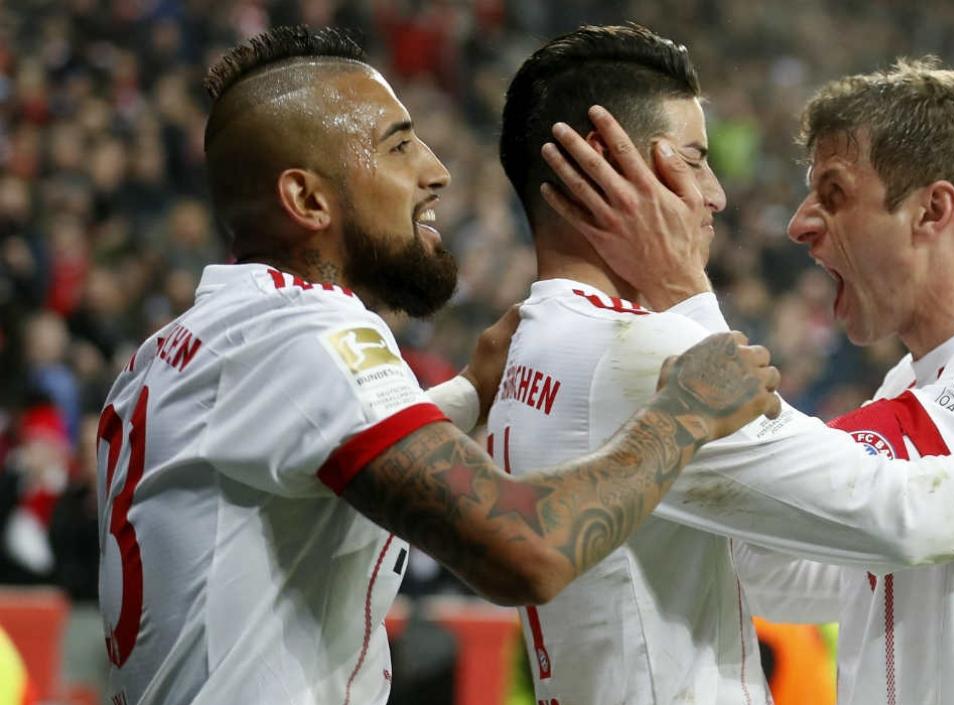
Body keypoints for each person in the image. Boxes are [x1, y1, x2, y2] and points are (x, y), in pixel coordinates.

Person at [95, 26, 782, 705]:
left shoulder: (172, 353)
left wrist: (467, 392)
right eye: (397, 144)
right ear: (307, 200)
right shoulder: (305, 334)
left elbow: (311, 467)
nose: (436, 168)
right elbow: (525, 550)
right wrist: (685, 412)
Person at [492, 24, 954, 705]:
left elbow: (889, 509)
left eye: (835, 192)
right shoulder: (911, 381)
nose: (799, 223)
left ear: (931, 210)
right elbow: (795, 558)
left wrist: (685, 299)